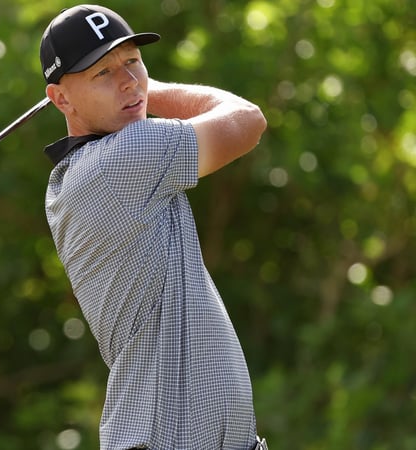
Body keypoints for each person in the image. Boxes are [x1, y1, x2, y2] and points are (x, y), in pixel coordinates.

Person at [39, 5, 268, 450]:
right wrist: (151, 91)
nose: (127, 80)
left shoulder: (87, 170)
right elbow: (246, 119)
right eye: (102, 72)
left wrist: (131, 90)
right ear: (61, 99)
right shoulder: (121, 160)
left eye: (133, 62)